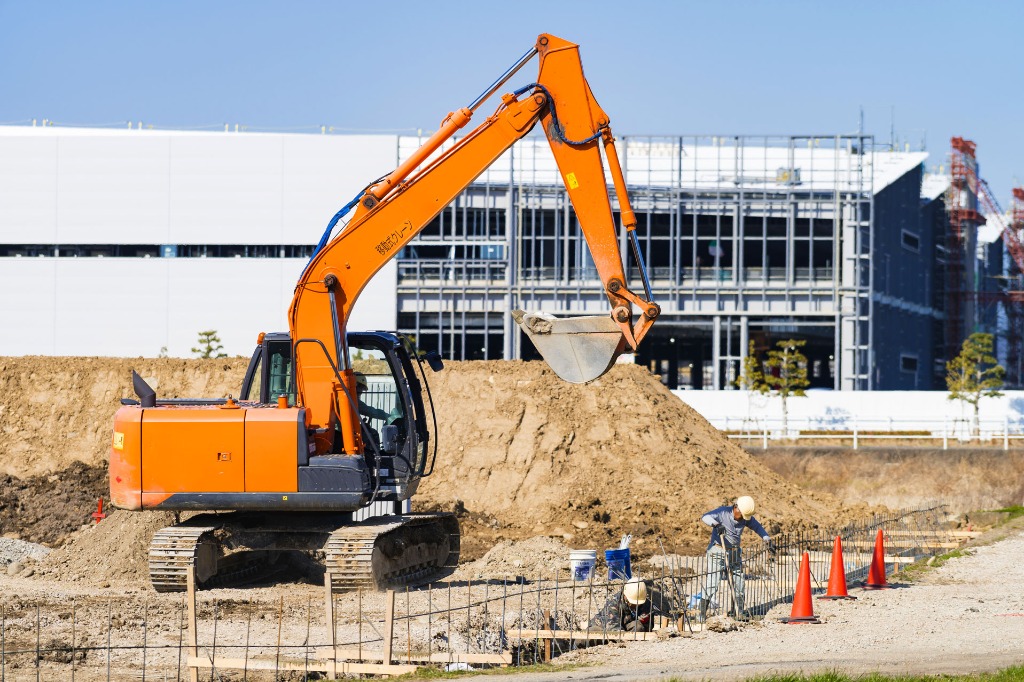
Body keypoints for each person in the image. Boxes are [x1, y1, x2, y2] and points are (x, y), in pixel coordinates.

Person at [698, 496, 771, 620]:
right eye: (741, 514)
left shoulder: (744, 516)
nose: (743, 518)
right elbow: (705, 517)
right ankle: (701, 614)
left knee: (739, 584)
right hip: (717, 551)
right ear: (736, 507)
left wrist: (766, 538)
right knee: (712, 584)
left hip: (734, 553)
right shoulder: (723, 512)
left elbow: (757, 527)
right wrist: (716, 525)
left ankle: (738, 612)